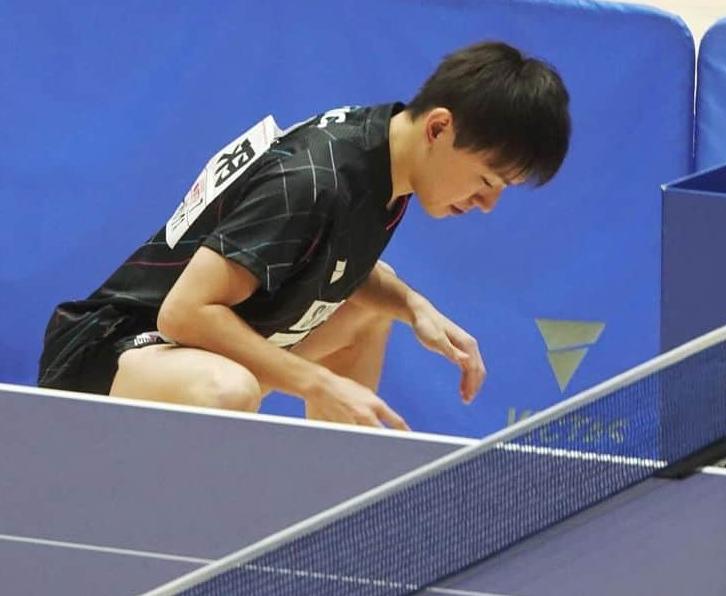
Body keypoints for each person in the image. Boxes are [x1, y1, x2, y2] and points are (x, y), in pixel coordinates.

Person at [38, 41, 570, 429]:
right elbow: (184, 312)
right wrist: (319, 383)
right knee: (227, 390)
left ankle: (327, 507)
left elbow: (335, 260)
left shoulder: (386, 154)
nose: (486, 204)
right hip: (109, 352)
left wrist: (414, 307)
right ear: (438, 128)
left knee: (368, 315)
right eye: (486, 180)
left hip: (184, 346)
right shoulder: (313, 182)